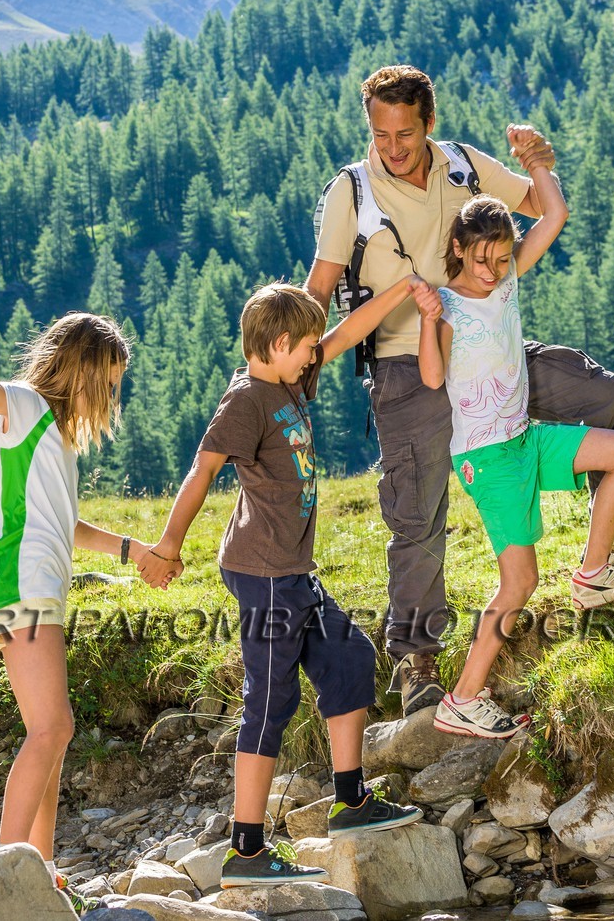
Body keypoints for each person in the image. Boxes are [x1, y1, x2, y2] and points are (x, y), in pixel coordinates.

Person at [305, 63, 614, 717]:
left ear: (430, 122)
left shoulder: (463, 164)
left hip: (491, 348)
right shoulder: (352, 193)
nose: (392, 147)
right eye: (380, 132)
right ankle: (417, 662)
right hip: (404, 364)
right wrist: (293, 353)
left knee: (604, 396)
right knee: (416, 513)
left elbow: (538, 205)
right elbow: (319, 287)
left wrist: (540, 160)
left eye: (405, 132)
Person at [147, 279, 431, 888]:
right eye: (304, 345)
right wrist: (168, 545)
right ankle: (246, 850)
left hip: (292, 573)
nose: (314, 354)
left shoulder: (289, 380)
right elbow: (203, 471)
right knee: (272, 700)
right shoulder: (247, 400)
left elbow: (345, 334)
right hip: (265, 573)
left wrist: (404, 289)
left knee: (351, 657)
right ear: (277, 344)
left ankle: (350, 803)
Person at [0, 310, 168, 871]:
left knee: (49, 739)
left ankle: (41, 871)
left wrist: (136, 552)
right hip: (18, 582)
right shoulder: (25, 406)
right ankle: (7, 873)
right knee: (54, 729)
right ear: (78, 368)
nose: (111, 393)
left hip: (38, 585)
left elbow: (68, 525)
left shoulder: (56, 436)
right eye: (107, 380)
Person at [419, 195, 614, 737]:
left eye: (501, 259)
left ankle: (593, 574)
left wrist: (535, 166)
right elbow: (433, 378)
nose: (490, 271)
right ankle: (461, 699)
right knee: (519, 583)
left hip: (526, 438)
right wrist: (427, 319)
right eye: (480, 259)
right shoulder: (447, 306)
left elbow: (553, 216)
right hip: (487, 459)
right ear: (458, 249)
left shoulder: (504, 283)